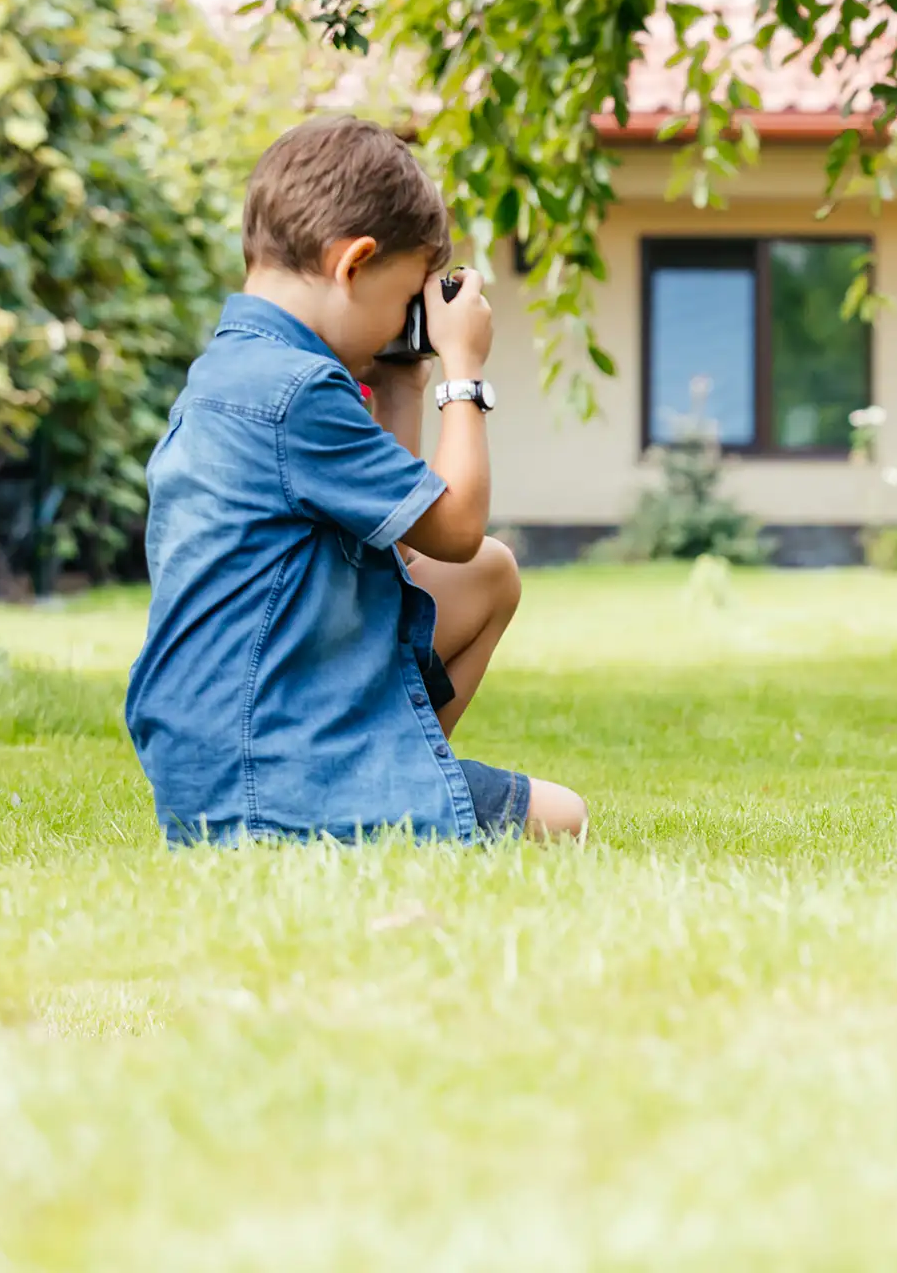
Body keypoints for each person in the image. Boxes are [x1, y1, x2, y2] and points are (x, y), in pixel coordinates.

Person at [124, 115, 587, 844]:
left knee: (492, 576)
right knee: (565, 819)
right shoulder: (298, 390)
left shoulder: (236, 368)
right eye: (404, 294)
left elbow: (401, 546)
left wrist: (403, 384)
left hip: (219, 759)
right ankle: (374, 808)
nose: (404, 318)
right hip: (271, 770)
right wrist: (463, 376)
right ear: (353, 264)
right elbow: (458, 528)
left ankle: (397, 776)